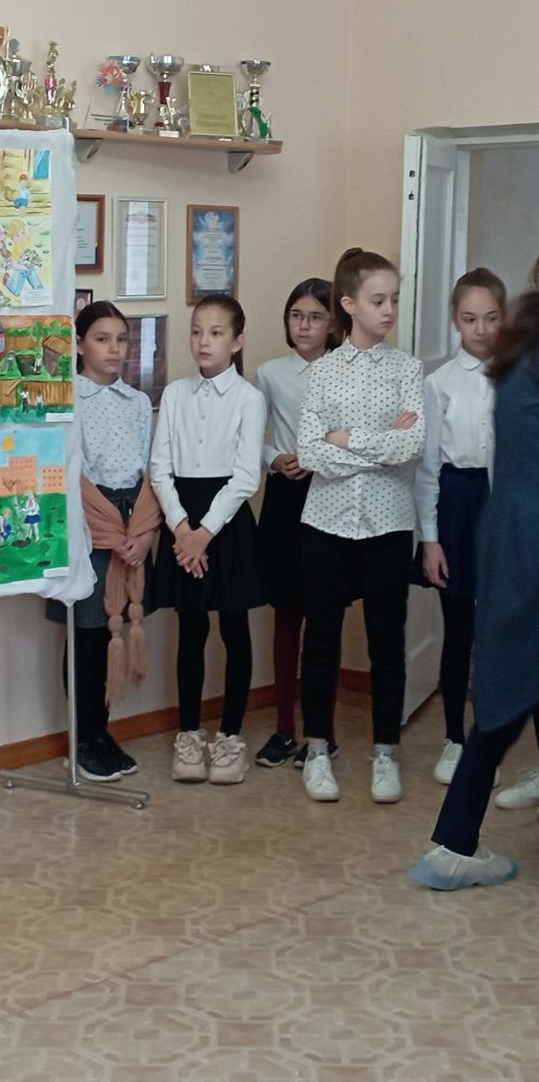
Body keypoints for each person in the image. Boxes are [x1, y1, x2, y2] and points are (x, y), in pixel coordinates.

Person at [409, 290, 539, 888]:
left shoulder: (519, 358)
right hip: (527, 542)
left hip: (509, 539)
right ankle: (454, 848)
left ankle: (455, 845)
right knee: (507, 700)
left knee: (510, 691)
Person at [296, 249, 425, 803]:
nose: (389, 309)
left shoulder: (408, 370)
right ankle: (317, 750)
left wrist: (345, 440)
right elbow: (309, 452)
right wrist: (377, 445)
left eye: (394, 298)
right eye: (378, 300)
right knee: (321, 640)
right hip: (325, 524)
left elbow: (411, 446)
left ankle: (385, 753)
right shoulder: (322, 372)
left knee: (387, 642)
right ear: (348, 305)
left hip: (388, 525)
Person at [149, 295, 267, 785]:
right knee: (190, 629)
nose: (204, 341)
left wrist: (204, 534)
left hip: (226, 521)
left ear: (237, 341)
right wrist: (181, 529)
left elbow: (246, 477)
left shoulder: (249, 399)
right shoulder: (175, 394)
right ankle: (189, 734)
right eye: (197, 331)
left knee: (234, 630)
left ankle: (231, 737)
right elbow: (159, 467)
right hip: (183, 517)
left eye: (216, 332)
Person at [49, 301, 160, 783]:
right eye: (101, 339)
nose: (114, 349)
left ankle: (102, 732)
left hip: (132, 518)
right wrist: (108, 528)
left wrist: (143, 530)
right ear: (79, 344)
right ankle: (83, 739)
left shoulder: (136, 402)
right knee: (87, 636)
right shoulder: (67, 400)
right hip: (87, 518)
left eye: (121, 339)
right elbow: (69, 471)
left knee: (113, 629)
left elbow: (149, 469)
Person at [413, 269, 507, 784]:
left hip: (503, 506)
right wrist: (430, 539)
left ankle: (490, 741)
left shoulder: (518, 376)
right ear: (455, 319)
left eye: (491, 318)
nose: (481, 329)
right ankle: (454, 739)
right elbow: (428, 468)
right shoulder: (439, 383)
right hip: (456, 503)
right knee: (458, 630)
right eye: (470, 319)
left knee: (497, 633)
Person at [252, 278, 340, 768]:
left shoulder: (346, 370)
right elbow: (252, 436)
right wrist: (274, 458)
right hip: (286, 498)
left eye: (315, 317)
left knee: (324, 617)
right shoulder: (270, 373)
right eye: (296, 316)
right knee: (286, 613)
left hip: (331, 494)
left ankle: (322, 735)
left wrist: (321, 457)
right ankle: (284, 728)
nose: (304, 326)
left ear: (333, 323)